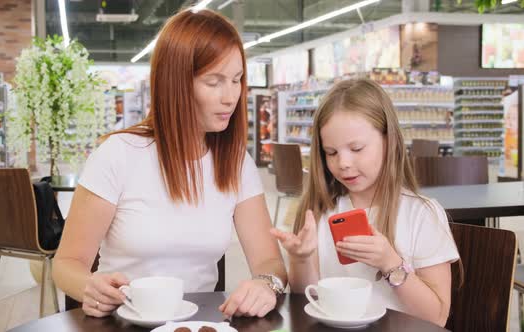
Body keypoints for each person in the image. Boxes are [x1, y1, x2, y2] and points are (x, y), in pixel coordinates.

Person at [53, 8, 287, 319]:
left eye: (237, 80)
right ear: (175, 83)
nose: (231, 96)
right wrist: (89, 286)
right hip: (122, 321)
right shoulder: (118, 154)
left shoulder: (235, 162)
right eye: (214, 81)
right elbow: (66, 262)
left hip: (198, 322)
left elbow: (270, 263)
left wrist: (266, 285)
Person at [270, 79, 459, 327]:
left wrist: (391, 265)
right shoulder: (320, 212)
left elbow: (437, 317)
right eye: (331, 152)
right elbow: (308, 300)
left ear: (389, 141)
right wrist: (301, 259)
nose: (344, 163)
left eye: (356, 148)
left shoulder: (421, 214)